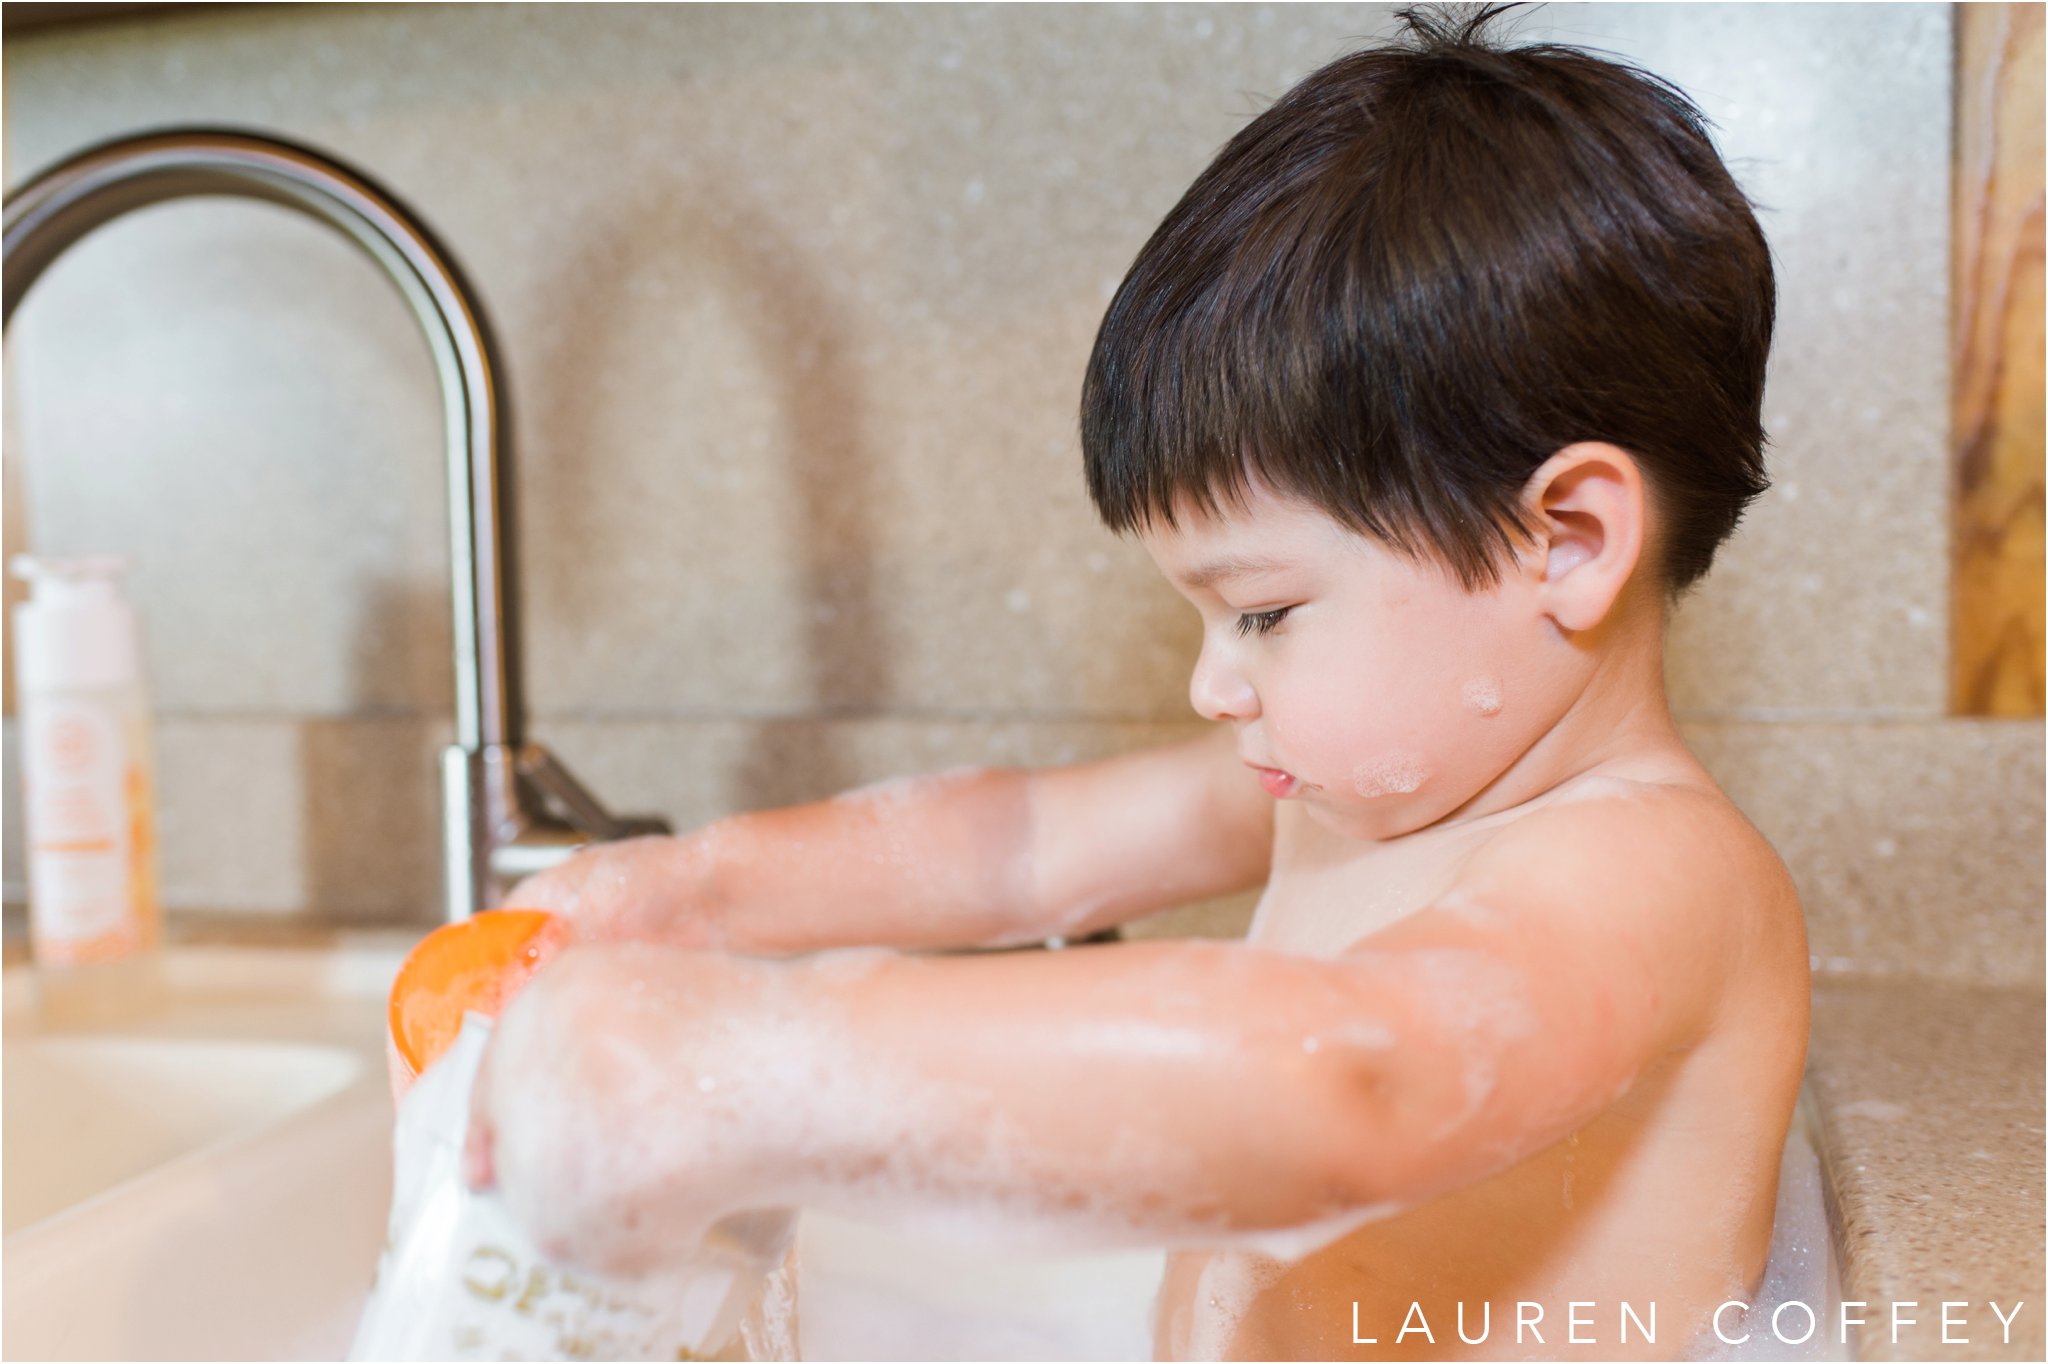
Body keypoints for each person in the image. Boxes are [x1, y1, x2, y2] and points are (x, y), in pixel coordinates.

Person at [462, 6, 1811, 1358]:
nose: (1215, 686)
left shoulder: (1652, 877)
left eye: (1266, 612)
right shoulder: (1358, 790)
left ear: (1562, 540)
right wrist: (692, 894)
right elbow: (1024, 848)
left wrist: (760, 1072)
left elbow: (1360, 1079)